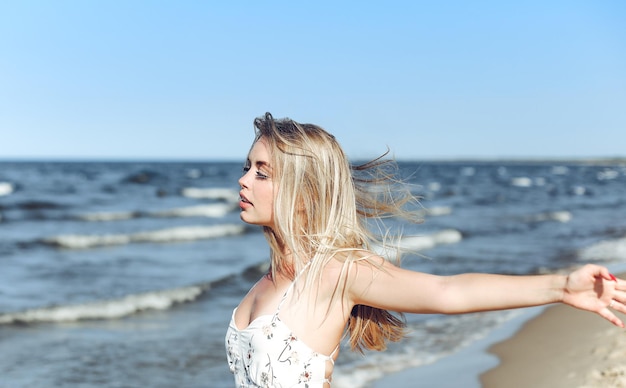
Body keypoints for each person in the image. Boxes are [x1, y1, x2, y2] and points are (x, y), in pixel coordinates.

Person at [224, 112, 625, 388]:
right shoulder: (265, 281)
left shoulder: (335, 272)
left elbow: (446, 292)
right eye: (247, 167)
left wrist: (559, 288)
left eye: (263, 172)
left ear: (305, 192)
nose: (244, 180)